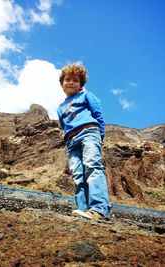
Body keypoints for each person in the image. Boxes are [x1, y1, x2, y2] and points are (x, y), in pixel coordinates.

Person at [57, 63, 111, 220]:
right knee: (77, 175)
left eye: (75, 80)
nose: (71, 82)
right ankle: (83, 210)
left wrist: (99, 136)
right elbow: (64, 125)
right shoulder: (60, 107)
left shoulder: (86, 96)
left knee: (92, 167)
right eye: (68, 79)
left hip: (89, 132)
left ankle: (100, 209)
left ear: (81, 85)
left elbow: (98, 114)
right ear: (62, 84)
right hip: (71, 141)